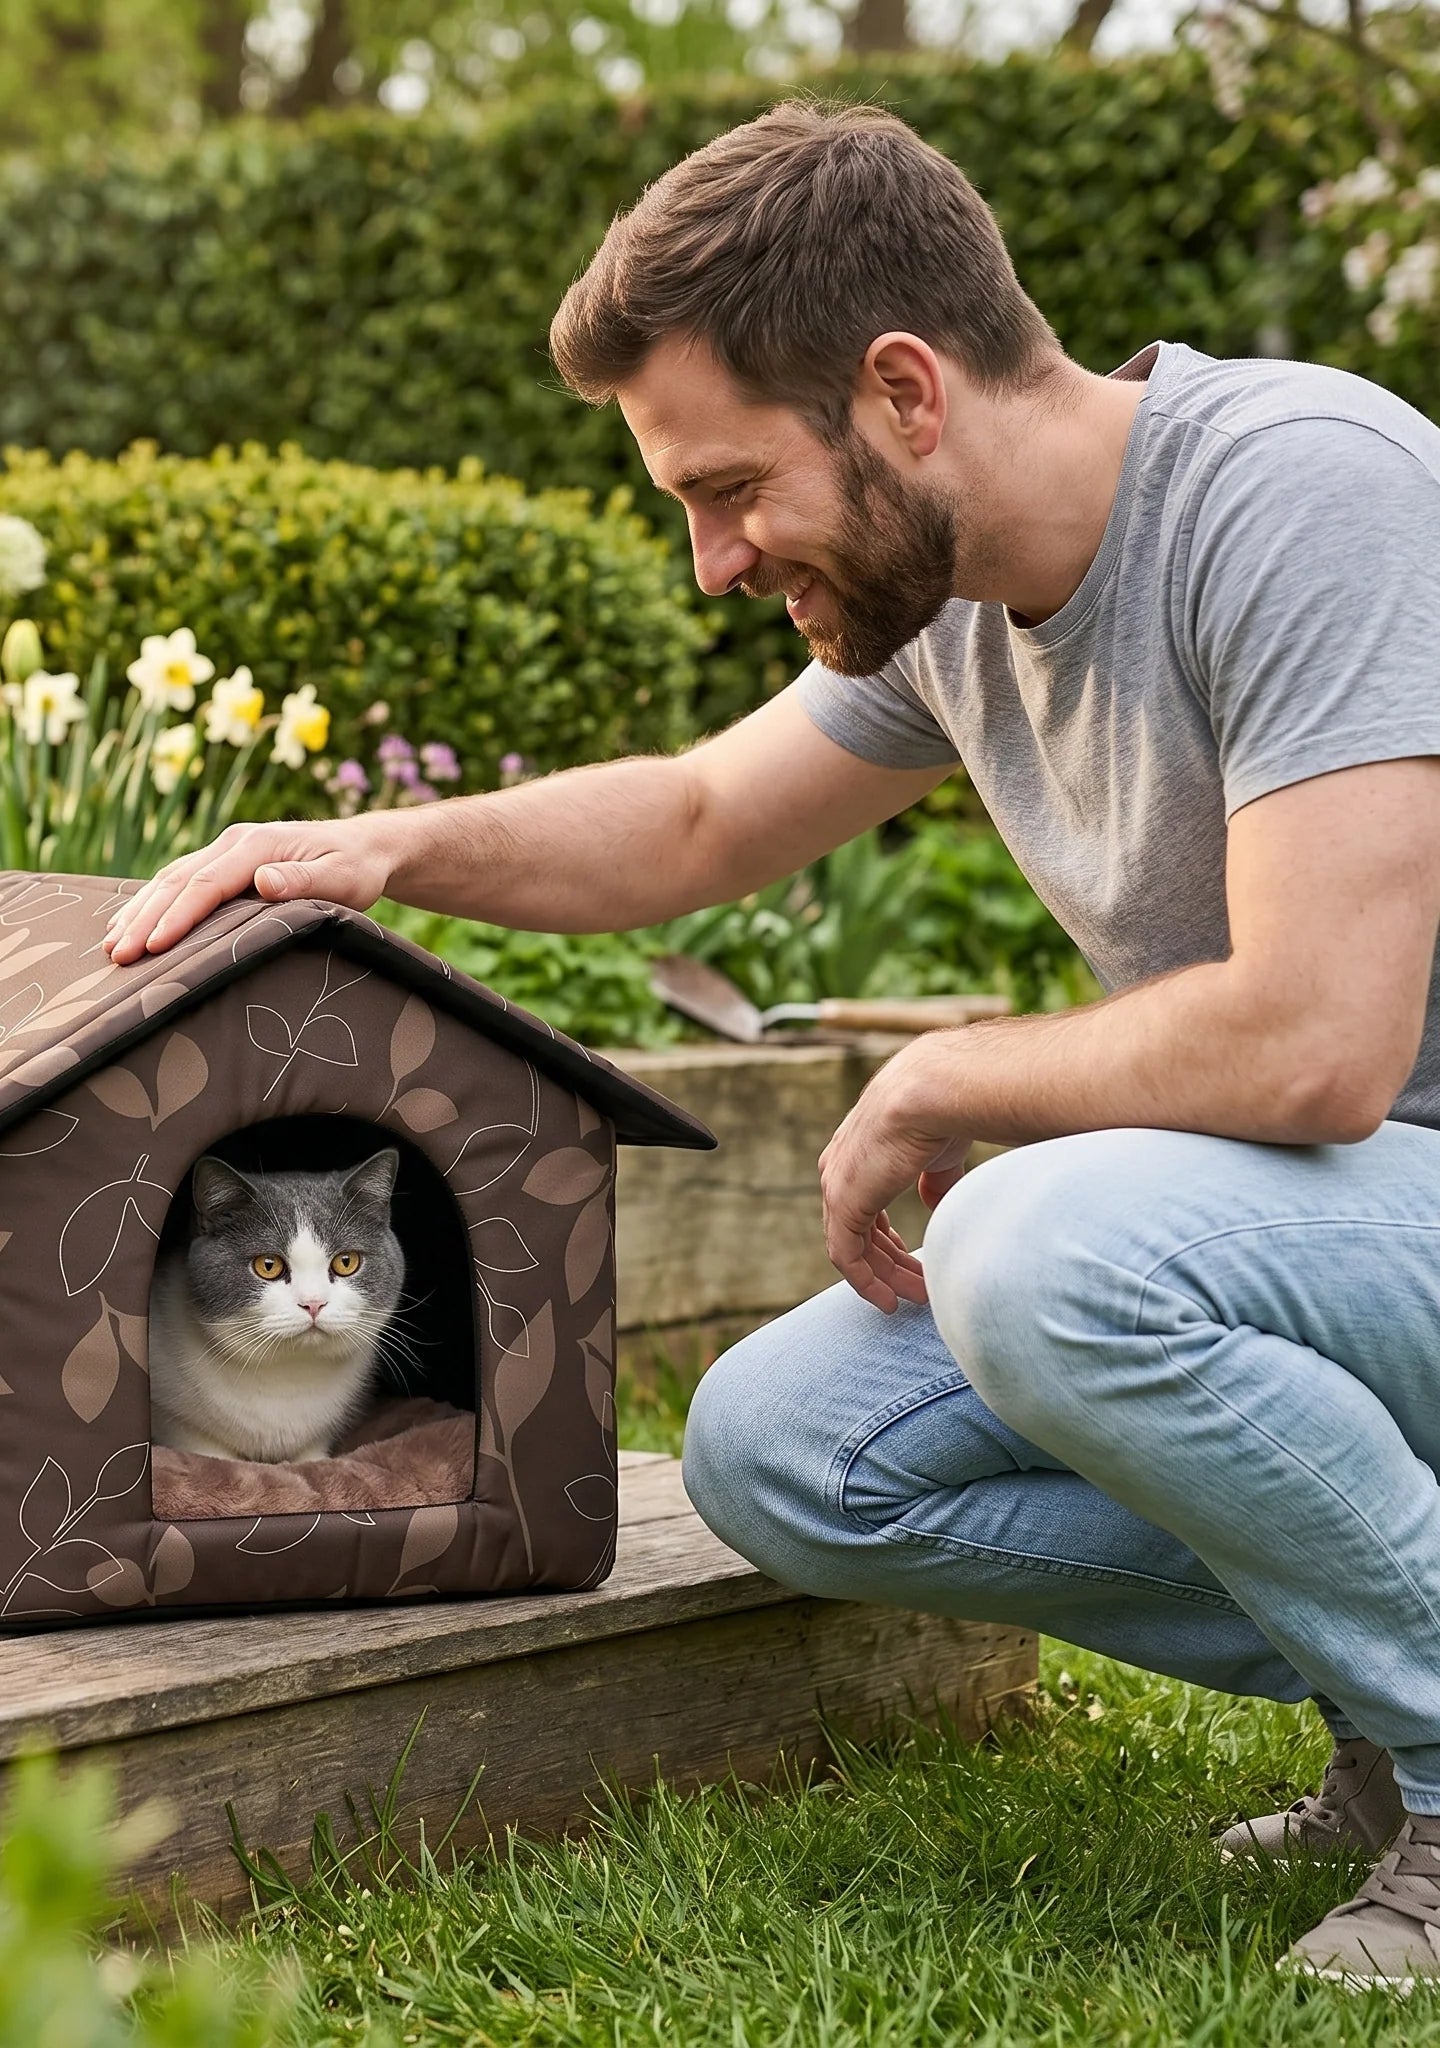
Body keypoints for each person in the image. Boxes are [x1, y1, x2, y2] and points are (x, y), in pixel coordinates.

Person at [106, 102, 1440, 1990]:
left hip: (1395, 1197)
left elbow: (1320, 1045)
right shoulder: (955, 602)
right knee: (786, 1450)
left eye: (731, 489)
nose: (713, 562)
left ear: (904, 392)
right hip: (1340, 1238)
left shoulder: (1304, 491)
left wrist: (944, 1074)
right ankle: (1387, 1688)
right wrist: (386, 848)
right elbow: (695, 819)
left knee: (1036, 1249)